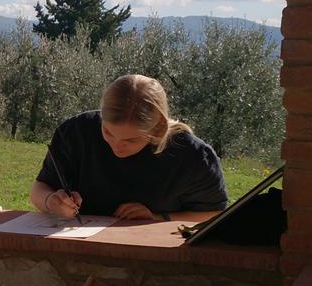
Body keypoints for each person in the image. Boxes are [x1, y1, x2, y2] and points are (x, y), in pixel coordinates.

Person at [30, 74, 227, 221]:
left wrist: (158, 217)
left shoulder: (193, 156)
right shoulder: (76, 133)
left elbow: (213, 214)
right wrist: (50, 201)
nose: (117, 146)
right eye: (108, 133)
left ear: (158, 129)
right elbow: (39, 189)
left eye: (131, 140)